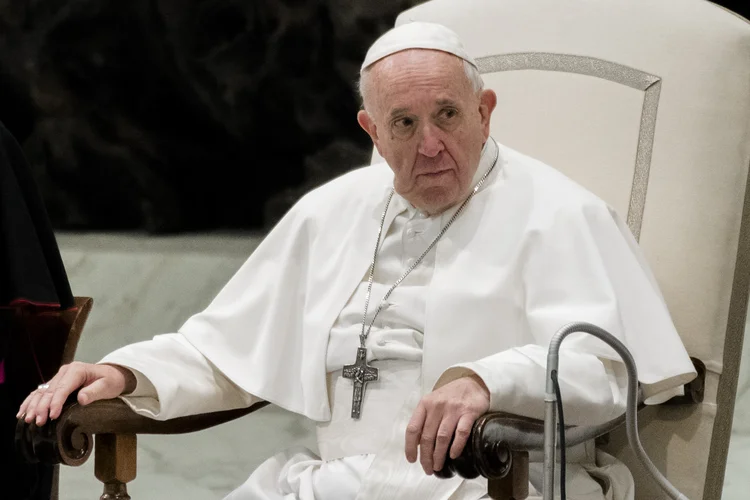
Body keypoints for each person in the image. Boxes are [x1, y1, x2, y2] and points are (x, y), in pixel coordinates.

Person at [17, 22, 696, 500]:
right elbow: (227, 351)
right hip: (334, 482)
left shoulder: (559, 214)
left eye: (448, 116)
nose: (430, 144)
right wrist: (122, 370)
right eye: (404, 123)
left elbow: (603, 369)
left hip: (495, 486)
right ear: (372, 130)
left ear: (486, 112)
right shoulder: (330, 212)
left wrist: (485, 380)